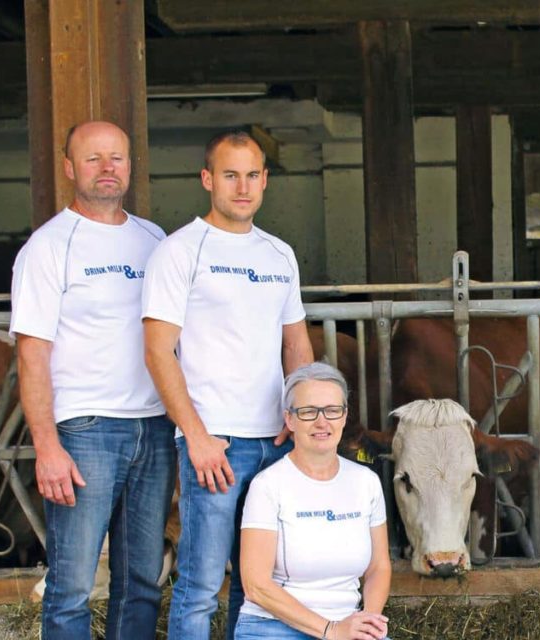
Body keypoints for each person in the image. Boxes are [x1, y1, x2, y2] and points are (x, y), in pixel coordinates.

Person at [143, 130, 314, 639]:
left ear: (265, 181)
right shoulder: (180, 251)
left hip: (275, 442)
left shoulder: (279, 254)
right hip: (214, 443)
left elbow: (297, 347)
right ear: (207, 179)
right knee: (198, 583)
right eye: (230, 175)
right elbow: (157, 350)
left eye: (252, 175)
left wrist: (299, 418)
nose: (243, 186)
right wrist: (195, 436)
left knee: (258, 582)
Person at [10, 120, 174, 639]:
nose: (108, 168)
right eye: (93, 158)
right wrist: (47, 445)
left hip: (153, 426)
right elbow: (32, 355)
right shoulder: (50, 246)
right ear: (69, 168)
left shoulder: (156, 241)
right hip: (85, 431)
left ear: (130, 164)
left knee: (142, 580)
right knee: (72, 585)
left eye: (117, 157)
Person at [234, 362, 391, 640]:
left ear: (344, 417)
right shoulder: (268, 485)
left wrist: (367, 623)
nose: (322, 422)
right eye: (308, 412)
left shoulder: (366, 481)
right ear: (290, 420)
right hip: (272, 626)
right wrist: (331, 631)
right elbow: (255, 584)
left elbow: (379, 567)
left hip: (347, 624)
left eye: (332, 410)